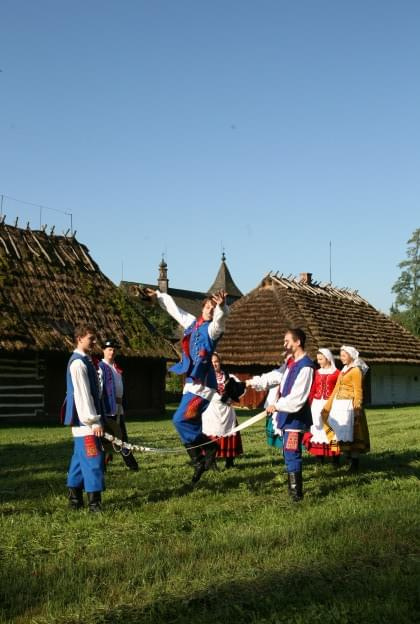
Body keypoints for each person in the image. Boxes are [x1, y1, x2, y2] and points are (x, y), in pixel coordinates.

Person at [146, 287, 228, 484]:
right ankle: (198, 462)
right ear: (202, 308)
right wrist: (158, 296)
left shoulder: (212, 330)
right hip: (190, 383)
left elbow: (220, 320)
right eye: (207, 307)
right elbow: (175, 310)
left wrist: (222, 307)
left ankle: (208, 449)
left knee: (179, 420)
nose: (209, 310)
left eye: (212, 308)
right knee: (190, 423)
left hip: (202, 386)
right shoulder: (192, 323)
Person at [265, 328, 314, 501]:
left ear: (298, 342)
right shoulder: (291, 364)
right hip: (287, 416)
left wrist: (276, 406)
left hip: (295, 418)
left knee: (292, 453)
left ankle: (296, 495)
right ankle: (293, 490)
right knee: (287, 453)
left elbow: (297, 398)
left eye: (287, 341)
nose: (284, 344)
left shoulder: (306, 366)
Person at [63, 324, 104, 512]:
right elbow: (82, 396)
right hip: (86, 423)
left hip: (84, 424)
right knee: (93, 460)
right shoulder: (78, 363)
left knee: (79, 462)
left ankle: (74, 501)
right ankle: (94, 505)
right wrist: (93, 421)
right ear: (79, 338)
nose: (94, 341)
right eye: (91, 338)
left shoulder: (86, 360)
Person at [321, 345, 370, 471]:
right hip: (338, 406)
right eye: (340, 355)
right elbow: (336, 389)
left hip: (349, 407)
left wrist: (357, 409)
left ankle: (354, 463)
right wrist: (327, 406)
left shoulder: (355, 371)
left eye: (343, 356)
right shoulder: (343, 370)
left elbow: (358, 390)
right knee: (334, 432)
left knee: (353, 436)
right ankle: (335, 458)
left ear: (351, 356)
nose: (341, 358)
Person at [99, 339, 139, 471]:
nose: (112, 351)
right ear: (103, 350)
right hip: (107, 409)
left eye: (114, 349)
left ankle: (131, 465)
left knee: (121, 438)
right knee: (105, 440)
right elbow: (99, 390)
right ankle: (102, 467)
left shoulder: (116, 368)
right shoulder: (100, 367)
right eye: (109, 349)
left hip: (118, 409)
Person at [202, 352, 243, 468]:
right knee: (212, 435)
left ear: (220, 362)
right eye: (212, 362)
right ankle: (212, 463)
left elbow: (240, 389)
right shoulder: (205, 377)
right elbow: (206, 392)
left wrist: (233, 397)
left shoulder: (228, 376)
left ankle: (229, 462)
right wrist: (223, 398)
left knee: (229, 433)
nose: (214, 364)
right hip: (212, 411)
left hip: (227, 411)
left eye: (216, 362)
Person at [245, 355, 292, 452]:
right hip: (280, 407)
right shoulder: (282, 371)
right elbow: (270, 378)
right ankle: (289, 460)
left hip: (296, 408)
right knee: (286, 440)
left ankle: (332, 453)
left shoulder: (302, 369)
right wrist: (251, 382)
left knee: (328, 434)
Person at [303, 349, 340, 463]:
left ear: (328, 358)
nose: (318, 362)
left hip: (331, 405)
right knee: (317, 429)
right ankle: (319, 457)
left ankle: (335, 457)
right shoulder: (317, 373)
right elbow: (313, 389)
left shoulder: (337, 373)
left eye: (321, 359)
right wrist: (308, 403)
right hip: (317, 404)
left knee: (332, 430)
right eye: (318, 359)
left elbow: (339, 390)